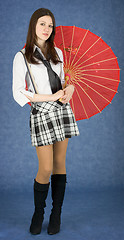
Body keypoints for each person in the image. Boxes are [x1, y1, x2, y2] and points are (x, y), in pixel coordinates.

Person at [12, 8, 79, 235]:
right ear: (33, 26)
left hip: (61, 110)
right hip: (41, 112)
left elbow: (61, 82)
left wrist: (68, 87)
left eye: (50, 25)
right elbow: (18, 92)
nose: (46, 29)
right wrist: (49, 97)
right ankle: (38, 213)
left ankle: (56, 214)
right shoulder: (22, 56)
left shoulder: (57, 52)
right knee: (46, 167)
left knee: (60, 164)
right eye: (42, 24)